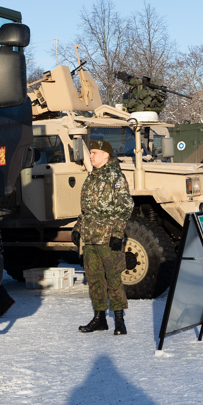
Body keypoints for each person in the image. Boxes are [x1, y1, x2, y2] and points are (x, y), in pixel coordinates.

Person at [71, 140, 134, 335]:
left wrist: (117, 233)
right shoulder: (91, 178)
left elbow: (125, 207)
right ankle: (99, 318)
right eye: (91, 152)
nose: (91, 156)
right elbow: (87, 210)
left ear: (106, 155)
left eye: (95, 153)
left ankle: (119, 320)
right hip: (90, 238)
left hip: (108, 238)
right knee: (94, 279)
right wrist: (78, 228)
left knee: (113, 278)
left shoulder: (116, 177)